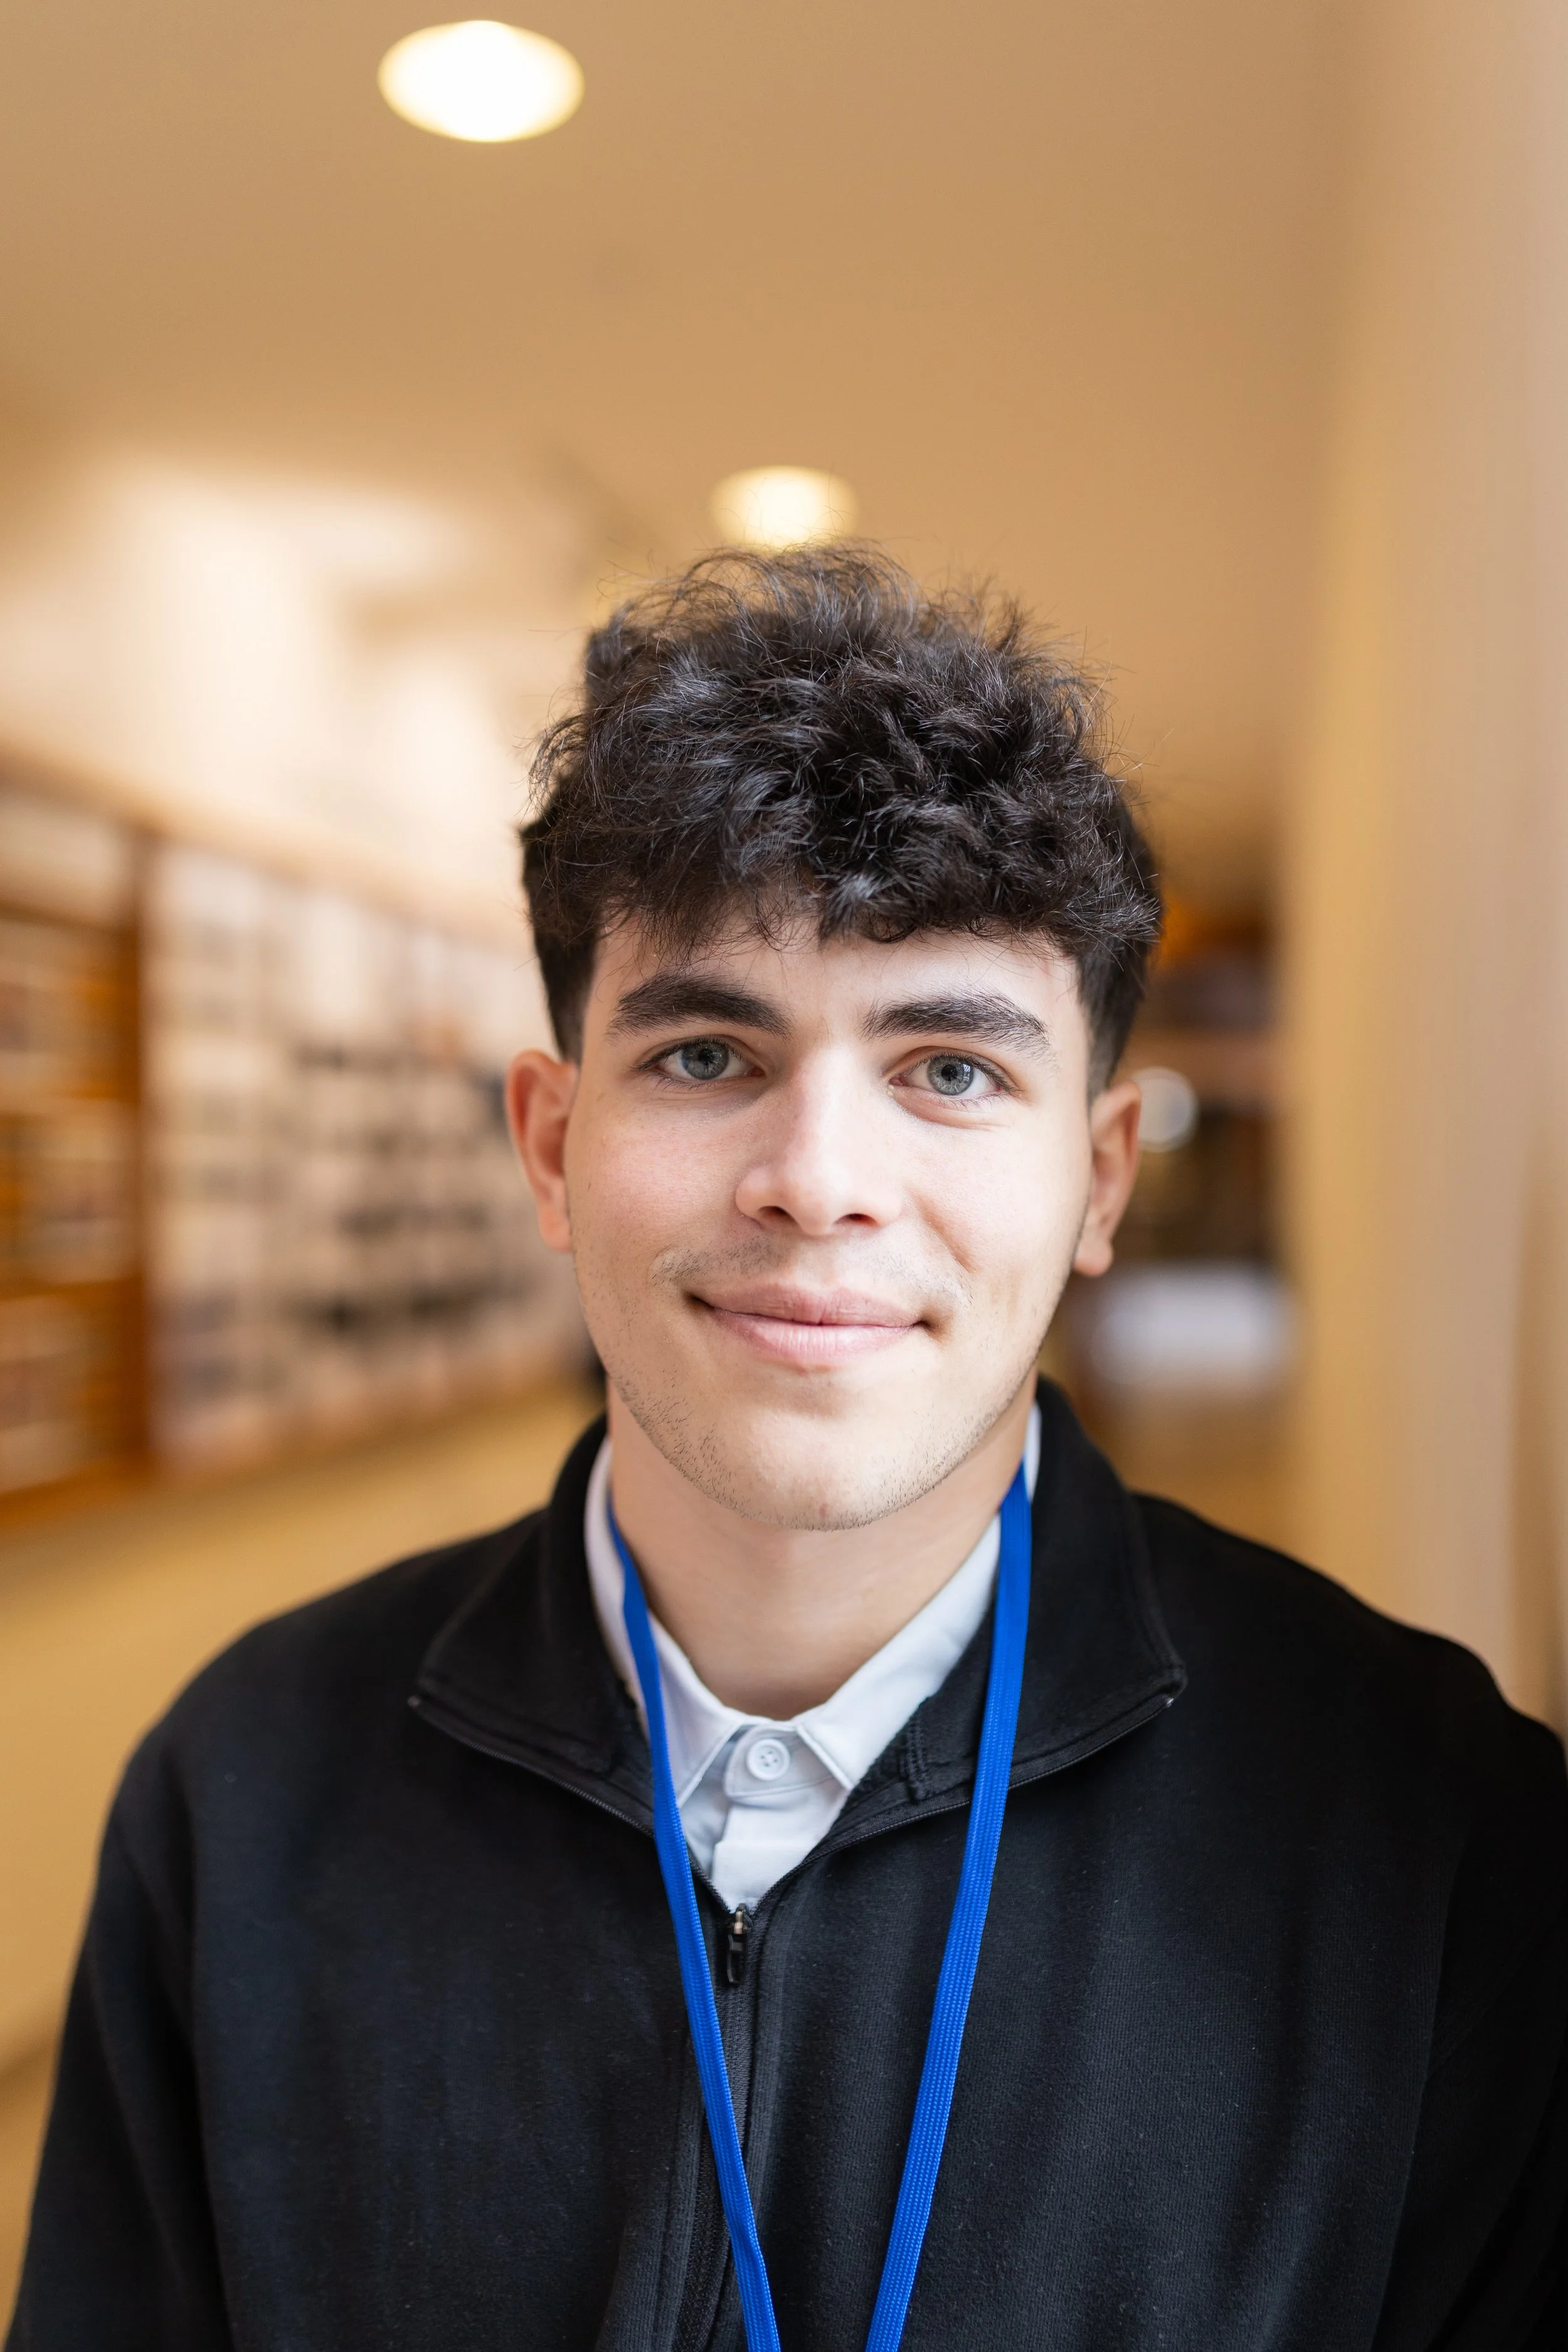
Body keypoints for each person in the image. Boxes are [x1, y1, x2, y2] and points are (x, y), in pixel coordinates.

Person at [9, 549, 1565, 2352]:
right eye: (700, 1054)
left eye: (951, 1070)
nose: (816, 1178)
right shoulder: (250, 1794)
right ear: (547, 1141)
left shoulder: (1431, 1836)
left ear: (1102, 1174)